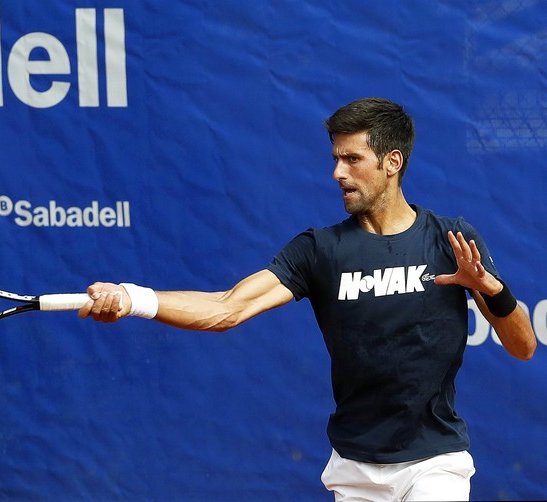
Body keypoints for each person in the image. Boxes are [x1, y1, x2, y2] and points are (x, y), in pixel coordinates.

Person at [78, 97, 536, 501]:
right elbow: (226, 308)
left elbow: (524, 347)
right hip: (355, 468)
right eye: (336, 159)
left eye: (352, 159)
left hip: (436, 463)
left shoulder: (450, 241)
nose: (337, 173)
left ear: (392, 162)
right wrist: (133, 297)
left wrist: (492, 290)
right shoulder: (320, 250)